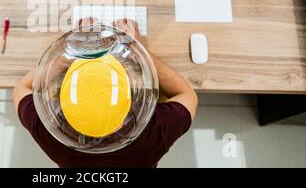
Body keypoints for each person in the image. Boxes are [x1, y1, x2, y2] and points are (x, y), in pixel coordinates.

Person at [13, 18, 198, 168]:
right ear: (130, 98)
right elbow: (187, 95)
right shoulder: (152, 135)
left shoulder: (51, 135)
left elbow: (21, 89)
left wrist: (75, 47)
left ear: (64, 100)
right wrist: (138, 48)